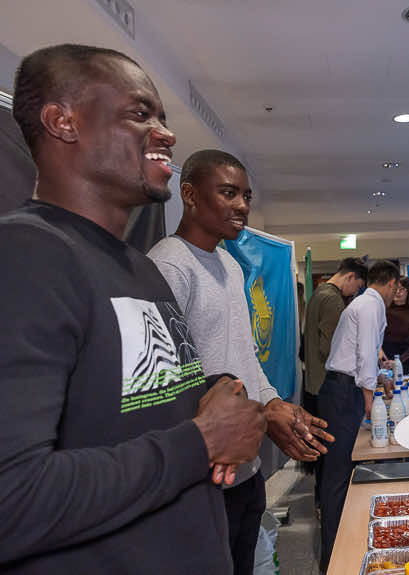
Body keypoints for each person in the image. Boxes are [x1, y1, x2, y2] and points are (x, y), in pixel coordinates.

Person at [0, 44, 267, 574]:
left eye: (163, 119)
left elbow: (137, 407)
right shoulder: (25, 257)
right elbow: (13, 498)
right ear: (63, 122)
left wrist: (217, 392)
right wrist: (201, 439)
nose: (166, 135)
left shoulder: (137, 268)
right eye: (140, 114)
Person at [147, 149, 334, 575]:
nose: (242, 206)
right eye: (229, 193)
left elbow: (244, 357)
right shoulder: (169, 265)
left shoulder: (231, 265)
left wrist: (275, 404)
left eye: (246, 196)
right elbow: (165, 382)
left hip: (246, 469)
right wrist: (259, 413)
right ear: (189, 193)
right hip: (203, 470)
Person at [317, 260, 400, 572]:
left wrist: (378, 379)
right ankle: (334, 560)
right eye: (397, 289)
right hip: (341, 394)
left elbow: (364, 358)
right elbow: (365, 355)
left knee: (343, 474)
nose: (397, 294)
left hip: (345, 389)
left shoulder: (367, 303)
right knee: (337, 478)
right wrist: (371, 402)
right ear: (392, 283)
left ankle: (346, 548)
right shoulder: (370, 305)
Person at [304, 258, 368, 418]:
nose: (355, 292)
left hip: (312, 382)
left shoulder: (318, 292)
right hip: (326, 385)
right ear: (350, 276)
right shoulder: (333, 299)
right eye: (358, 286)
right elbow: (332, 348)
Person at [382, 277, 409, 374]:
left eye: (402, 289)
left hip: (403, 361)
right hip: (383, 359)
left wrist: (398, 361)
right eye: (395, 288)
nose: (397, 292)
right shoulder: (382, 310)